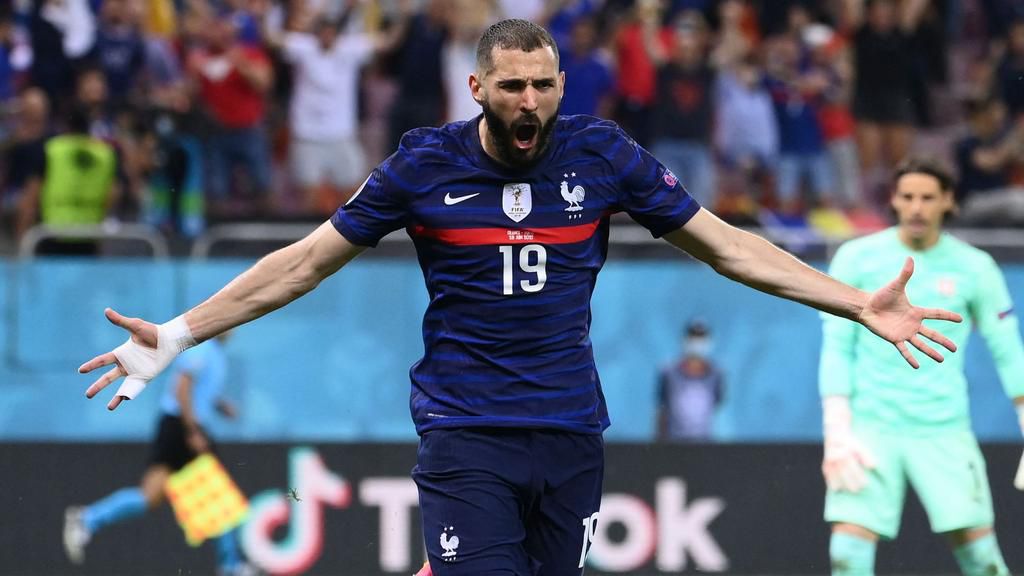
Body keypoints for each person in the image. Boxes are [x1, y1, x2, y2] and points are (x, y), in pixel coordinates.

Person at [80, 19, 962, 576]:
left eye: (542, 84)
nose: (529, 100)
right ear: (478, 90)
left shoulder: (603, 155)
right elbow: (304, 263)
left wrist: (854, 302)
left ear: (561, 87)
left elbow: (729, 248)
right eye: (511, 86)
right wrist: (182, 333)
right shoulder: (425, 164)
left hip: (572, 429)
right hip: (467, 430)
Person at [818, 158, 1024, 576]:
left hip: (943, 429)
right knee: (846, 554)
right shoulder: (856, 257)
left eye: (928, 198)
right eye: (907, 196)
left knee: (982, 561)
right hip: (870, 429)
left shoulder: (975, 267)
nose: (916, 207)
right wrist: (837, 431)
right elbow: (837, 348)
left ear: (948, 202)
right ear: (893, 199)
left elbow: (1007, 349)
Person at [64, 333, 255, 576]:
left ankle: (89, 518)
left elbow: (197, 389)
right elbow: (182, 387)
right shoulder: (201, 350)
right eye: (229, 325)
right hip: (181, 428)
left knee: (152, 496)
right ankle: (232, 566)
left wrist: (219, 405)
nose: (232, 330)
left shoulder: (215, 355)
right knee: (216, 493)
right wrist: (192, 431)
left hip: (181, 426)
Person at [656, 319, 724, 442]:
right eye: (693, 337)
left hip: (704, 443)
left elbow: (717, 407)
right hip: (674, 444)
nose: (697, 343)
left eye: (701, 337)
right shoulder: (669, 373)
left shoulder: (716, 374)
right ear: (685, 339)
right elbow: (661, 410)